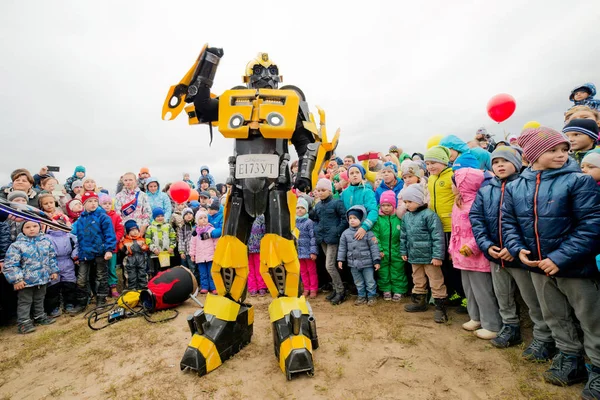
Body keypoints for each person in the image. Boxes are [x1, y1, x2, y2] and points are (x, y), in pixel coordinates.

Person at [502, 126, 600, 397]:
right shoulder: (515, 186)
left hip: (575, 268)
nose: (561, 154)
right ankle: (570, 360)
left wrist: (559, 258)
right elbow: (508, 222)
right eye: (553, 150)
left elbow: (593, 224)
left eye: (564, 149)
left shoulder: (579, 181)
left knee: (591, 319)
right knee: (554, 315)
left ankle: (598, 370)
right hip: (536, 266)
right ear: (533, 154)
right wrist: (518, 248)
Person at [470, 146, 555, 358]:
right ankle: (510, 327)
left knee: (531, 298)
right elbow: (476, 219)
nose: (500, 165)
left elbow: (529, 221)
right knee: (503, 295)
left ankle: (543, 336)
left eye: (505, 161)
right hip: (495, 254)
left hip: (518, 256)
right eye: (496, 162)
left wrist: (514, 248)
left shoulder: (525, 186)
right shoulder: (486, 189)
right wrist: (487, 245)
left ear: (516, 164)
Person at [449, 168, 502, 340]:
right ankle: (475, 317)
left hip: (476, 256)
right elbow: (455, 231)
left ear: (464, 184)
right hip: (461, 256)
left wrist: (473, 246)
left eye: (454, 183)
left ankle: (491, 324)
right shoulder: (457, 203)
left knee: (482, 290)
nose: (451, 187)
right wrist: (452, 248)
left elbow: (482, 230)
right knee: (469, 288)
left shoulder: (478, 203)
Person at [400, 184, 448, 323]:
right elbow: (403, 235)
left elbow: (438, 237)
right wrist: (404, 250)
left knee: (436, 280)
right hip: (414, 255)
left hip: (429, 257)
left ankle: (441, 307)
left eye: (410, 201)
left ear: (419, 200)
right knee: (417, 278)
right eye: (405, 202)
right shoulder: (406, 217)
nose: (407, 205)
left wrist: (437, 256)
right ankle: (419, 301)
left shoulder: (430, 215)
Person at [3, 221, 59, 333]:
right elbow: (11, 264)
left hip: (42, 278)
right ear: (22, 229)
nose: (32, 229)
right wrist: (17, 279)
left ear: (39, 227)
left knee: (40, 298)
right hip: (26, 281)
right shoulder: (17, 245)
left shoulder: (45, 241)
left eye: (35, 226)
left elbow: (51, 257)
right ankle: (24, 322)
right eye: (27, 227)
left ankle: (39, 316)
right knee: (25, 301)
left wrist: (53, 270)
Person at [425, 146, 463, 306]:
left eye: (433, 162)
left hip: (451, 226)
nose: (430, 167)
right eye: (427, 164)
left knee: (454, 263)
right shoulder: (431, 178)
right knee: (443, 263)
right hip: (436, 227)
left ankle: (464, 295)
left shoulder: (452, 176)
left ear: (443, 161)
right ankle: (452, 292)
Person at [72, 191, 117, 308]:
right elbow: (72, 232)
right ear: (83, 204)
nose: (93, 204)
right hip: (84, 254)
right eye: (90, 201)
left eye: (95, 201)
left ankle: (101, 299)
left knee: (101, 276)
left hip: (100, 252)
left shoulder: (103, 217)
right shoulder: (80, 219)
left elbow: (110, 234)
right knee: (81, 279)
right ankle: (82, 302)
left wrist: (109, 249)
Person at [310, 178, 348, 305]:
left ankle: (341, 291)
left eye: (323, 190)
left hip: (333, 239)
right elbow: (316, 219)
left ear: (329, 191)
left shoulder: (337, 203)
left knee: (330, 265)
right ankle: (336, 289)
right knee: (329, 265)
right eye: (318, 190)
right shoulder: (318, 205)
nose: (320, 193)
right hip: (323, 238)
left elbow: (344, 219)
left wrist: (337, 231)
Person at [337, 206, 381, 306]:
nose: (352, 220)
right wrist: (340, 259)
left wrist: (376, 260)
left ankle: (371, 296)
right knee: (358, 282)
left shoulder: (368, 233)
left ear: (361, 219)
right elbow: (342, 248)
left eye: (355, 218)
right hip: (353, 264)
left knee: (370, 281)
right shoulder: (345, 234)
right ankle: (361, 296)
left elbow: (374, 247)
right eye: (350, 218)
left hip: (367, 263)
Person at [372, 190, 407, 301]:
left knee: (398, 271)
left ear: (394, 205)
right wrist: (380, 249)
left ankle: (398, 290)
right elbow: (375, 235)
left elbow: (403, 235)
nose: (386, 208)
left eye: (388, 205)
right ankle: (386, 289)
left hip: (396, 250)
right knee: (383, 272)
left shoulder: (398, 218)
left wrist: (403, 250)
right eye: (383, 205)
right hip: (384, 251)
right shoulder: (378, 219)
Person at [44, 217, 79, 317]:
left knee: (69, 282)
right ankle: (53, 307)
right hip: (53, 262)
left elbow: (77, 244)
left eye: (60, 223)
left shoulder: (69, 235)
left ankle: (69, 303)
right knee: (53, 286)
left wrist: (75, 256)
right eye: (54, 224)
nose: (57, 226)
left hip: (67, 261)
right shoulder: (46, 237)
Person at [99, 194, 124, 298]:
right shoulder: (97, 216)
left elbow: (120, 230)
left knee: (112, 268)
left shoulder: (116, 216)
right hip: (100, 248)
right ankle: (103, 290)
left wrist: (114, 240)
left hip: (112, 248)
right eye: (104, 204)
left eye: (109, 203)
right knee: (101, 270)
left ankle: (113, 288)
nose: (107, 206)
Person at [114, 172, 151, 238]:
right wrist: (123, 231)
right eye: (126, 180)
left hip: (140, 229)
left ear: (135, 181)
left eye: (130, 180)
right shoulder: (119, 196)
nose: (128, 182)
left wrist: (142, 229)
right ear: (123, 181)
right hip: (125, 230)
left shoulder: (143, 195)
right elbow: (117, 214)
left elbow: (147, 212)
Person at [189, 210, 217, 294]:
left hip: (211, 255)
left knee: (211, 272)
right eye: (201, 218)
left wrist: (217, 251)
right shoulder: (195, 233)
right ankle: (204, 287)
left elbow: (216, 241)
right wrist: (192, 254)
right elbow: (192, 244)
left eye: (205, 217)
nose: (204, 219)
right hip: (200, 256)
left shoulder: (211, 230)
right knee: (203, 273)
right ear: (197, 221)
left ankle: (213, 287)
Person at [296, 198, 318, 298]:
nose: (300, 210)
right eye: (298, 208)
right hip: (299, 252)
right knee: (303, 272)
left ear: (306, 210)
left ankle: (313, 288)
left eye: (302, 208)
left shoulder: (309, 222)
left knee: (311, 271)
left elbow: (313, 237)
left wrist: (313, 251)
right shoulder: (294, 222)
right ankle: (306, 288)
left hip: (308, 252)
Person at [118, 220, 149, 290]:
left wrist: (144, 247)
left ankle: (143, 287)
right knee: (131, 274)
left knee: (142, 273)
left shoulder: (141, 239)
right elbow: (121, 247)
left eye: (136, 230)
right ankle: (131, 288)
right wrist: (126, 250)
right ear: (128, 232)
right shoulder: (125, 240)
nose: (135, 232)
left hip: (141, 259)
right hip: (130, 260)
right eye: (132, 230)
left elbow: (146, 246)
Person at [145, 207, 176, 277]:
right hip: (156, 254)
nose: (160, 218)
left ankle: (167, 285)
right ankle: (157, 285)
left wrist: (172, 247)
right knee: (156, 272)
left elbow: (173, 237)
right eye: (158, 216)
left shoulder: (168, 226)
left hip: (167, 253)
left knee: (166, 271)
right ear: (154, 217)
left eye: (162, 216)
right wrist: (154, 249)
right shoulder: (150, 228)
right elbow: (148, 240)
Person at [247, 214, 268, 296]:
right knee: (250, 269)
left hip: (259, 248)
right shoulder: (245, 217)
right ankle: (252, 287)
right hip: (247, 249)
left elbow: (265, 232)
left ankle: (262, 286)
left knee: (260, 268)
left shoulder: (261, 217)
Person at [177, 207, 196, 272]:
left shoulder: (196, 225)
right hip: (186, 251)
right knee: (186, 268)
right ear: (183, 217)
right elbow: (181, 240)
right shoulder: (182, 227)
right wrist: (181, 252)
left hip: (195, 252)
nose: (189, 215)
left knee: (194, 268)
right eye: (186, 214)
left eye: (190, 214)